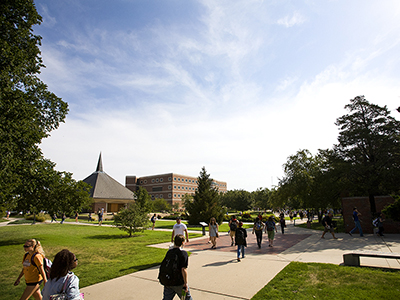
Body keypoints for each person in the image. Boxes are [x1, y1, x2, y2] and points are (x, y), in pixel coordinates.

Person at [160, 234, 193, 300]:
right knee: (187, 298)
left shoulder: (169, 252)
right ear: (183, 243)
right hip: (179, 283)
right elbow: (183, 269)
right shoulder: (183, 253)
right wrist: (185, 283)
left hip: (168, 281)